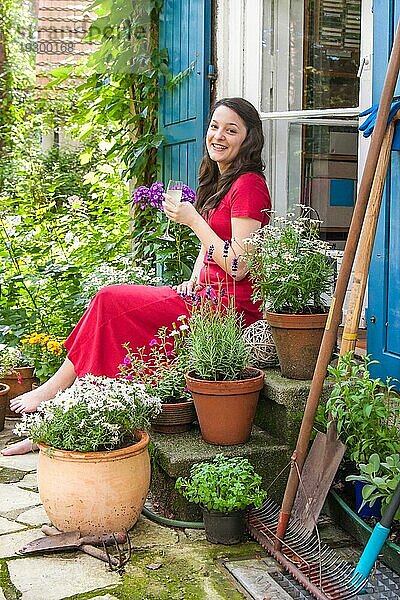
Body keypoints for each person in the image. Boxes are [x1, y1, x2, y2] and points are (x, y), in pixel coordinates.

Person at [2, 97, 271, 456]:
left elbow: (240, 265)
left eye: (230, 130)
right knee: (110, 310)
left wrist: (193, 221)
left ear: (248, 139)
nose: (218, 136)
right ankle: (58, 415)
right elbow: (215, 243)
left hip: (226, 313)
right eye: (214, 126)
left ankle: (54, 400)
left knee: (111, 302)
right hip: (203, 297)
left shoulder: (250, 185)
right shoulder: (222, 181)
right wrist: (194, 274)